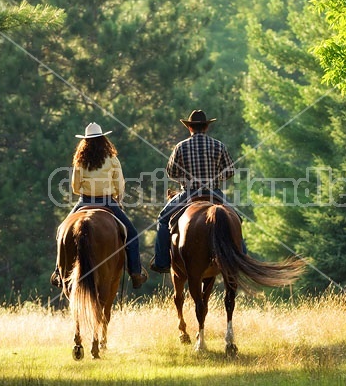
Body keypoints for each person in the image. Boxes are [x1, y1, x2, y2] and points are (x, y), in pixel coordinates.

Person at [51, 122, 148, 289]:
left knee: (61, 231)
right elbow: (119, 185)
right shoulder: (112, 159)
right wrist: (117, 196)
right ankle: (135, 273)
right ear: (103, 140)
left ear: (85, 141)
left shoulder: (80, 160)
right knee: (131, 234)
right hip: (108, 202)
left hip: (85, 201)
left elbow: (75, 187)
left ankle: (59, 273)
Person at [150, 110, 236, 273]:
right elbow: (230, 171)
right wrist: (216, 177)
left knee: (162, 220)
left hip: (189, 194)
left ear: (190, 128)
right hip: (213, 193)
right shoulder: (219, 145)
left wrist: (185, 180)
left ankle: (162, 261)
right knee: (235, 219)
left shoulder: (180, 147)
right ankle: (241, 256)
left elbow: (171, 172)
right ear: (206, 127)